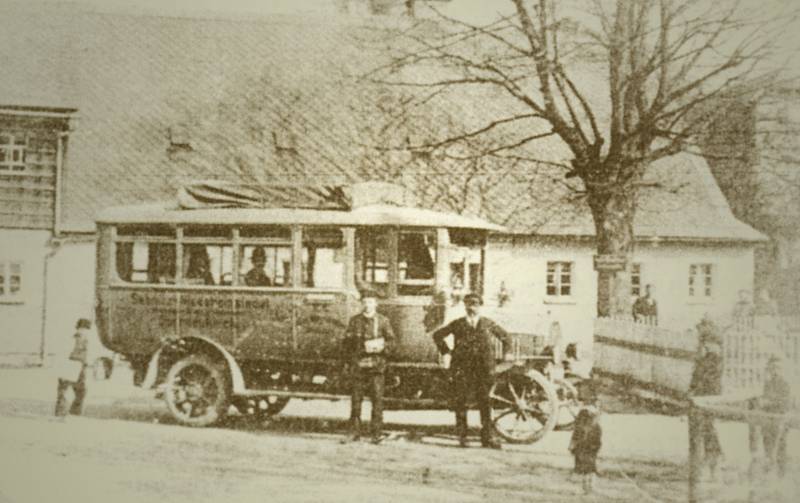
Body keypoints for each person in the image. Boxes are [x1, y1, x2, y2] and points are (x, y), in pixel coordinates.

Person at [432, 293, 512, 449]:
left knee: (485, 403)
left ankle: (487, 438)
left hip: (484, 370)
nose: (471, 308)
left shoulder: (488, 324)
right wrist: (446, 352)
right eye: (468, 304)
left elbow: (506, 338)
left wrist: (506, 354)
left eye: (475, 304)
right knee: (461, 403)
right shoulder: (458, 324)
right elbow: (437, 335)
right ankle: (462, 438)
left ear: (480, 306)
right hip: (462, 369)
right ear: (465, 306)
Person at [341, 290, 395, 444]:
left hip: (376, 367)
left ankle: (376, 434)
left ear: (375, 304)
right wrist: (351, 358)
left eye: (370, 302)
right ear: (361, 304)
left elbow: (392, 341)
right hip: (358, 365)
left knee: (377, 401)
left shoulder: (383, 321)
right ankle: (354, 433)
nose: (367, 305)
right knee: (356, 401)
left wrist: (381, 347)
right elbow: (347, 342)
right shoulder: (355, 321)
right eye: (365, 302)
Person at [688, 317, 724, 481]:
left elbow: (710, 380)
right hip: (700, 398)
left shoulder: (714, 359)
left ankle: (714, 460)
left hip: (709, 397)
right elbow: (695, 377)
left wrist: (698, 391)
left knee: (708, 428)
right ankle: (709, 460)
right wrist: (691, 390)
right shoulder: (702, 359)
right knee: (701, 429)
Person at [759, 354, 791, 478]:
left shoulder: (785, 384)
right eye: (772, 368)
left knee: (780, 446)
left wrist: (770, 402)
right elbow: (765, 398)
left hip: (780, 418)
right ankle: (768, 469)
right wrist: (763, 403)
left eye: (777, 368)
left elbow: (785, 403)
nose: (775, 371)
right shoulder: (768, 383)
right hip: (768, 418)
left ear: (781, 369)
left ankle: (781, 473)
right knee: (767, 443)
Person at [54, 318, 92, 417]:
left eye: (85, 329)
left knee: (78, 390)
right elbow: (66, 352)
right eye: (83, 328)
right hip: (72, 364)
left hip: (78, 365)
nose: (84, 331)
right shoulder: (75, 338)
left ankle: (71, 412)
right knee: (67, 390)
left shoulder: (83, 338)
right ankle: (65, 412)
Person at [569, 398, 602, 495]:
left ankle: (588, 488)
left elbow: (577, 434)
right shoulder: (589, 421)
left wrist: (572, 446)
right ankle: (585, 488)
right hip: (585, 448)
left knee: (587, 469)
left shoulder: (594, 425)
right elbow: (577, 434)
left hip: (588, 448)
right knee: (586, 469)